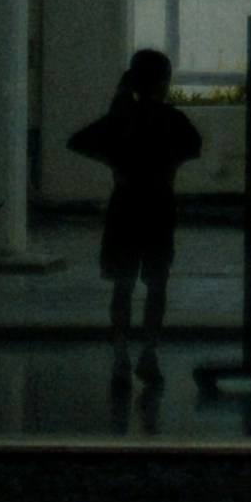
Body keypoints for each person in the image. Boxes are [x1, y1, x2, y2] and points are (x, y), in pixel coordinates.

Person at [66, 46, 202, 386]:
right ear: (163, 81)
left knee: (122, 288)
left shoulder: (120, 120)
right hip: (158, 207)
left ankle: (121, 359)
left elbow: (78, 141)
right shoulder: (173, 121)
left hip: (125, 206)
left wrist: (114, 159)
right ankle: (148, 354)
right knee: (156, 286)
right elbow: (193, 147)